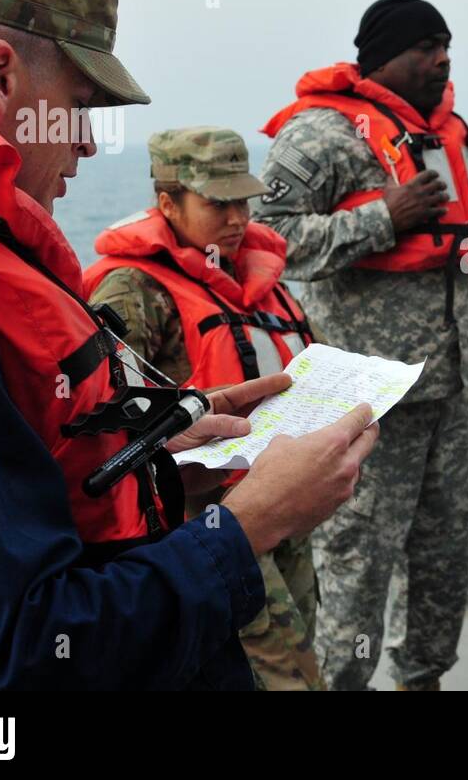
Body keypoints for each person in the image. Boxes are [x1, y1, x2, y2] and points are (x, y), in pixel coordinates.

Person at [0, 0, 375, 689]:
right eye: (80, 102)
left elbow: (23, 505)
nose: (90, 144)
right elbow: (6, 664)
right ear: (1, 78)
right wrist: (246, 529)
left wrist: (161, 465)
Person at [254, 0, 468, 690]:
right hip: (367, 407)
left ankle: (421, 677)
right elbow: (264, 243)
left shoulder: (456, 140)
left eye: (447, 46)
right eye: (427, 45)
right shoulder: (322, 134)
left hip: (450, 397)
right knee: (357, 565)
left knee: (443, 560)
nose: (442, 59)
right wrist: (380, 218)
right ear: (384, 55)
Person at [85, 127, 323, 690]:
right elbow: (101, 424)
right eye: (219, 202)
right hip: (208, 525)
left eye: (244, 200)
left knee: (297, 646)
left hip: (282, 506)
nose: (239, 217)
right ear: (167, 202)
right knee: (284, 673)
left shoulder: (252, 278)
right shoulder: (132, 290)